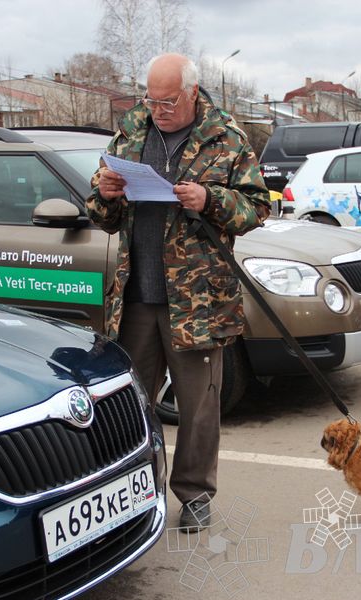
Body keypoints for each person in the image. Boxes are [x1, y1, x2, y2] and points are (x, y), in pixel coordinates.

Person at [86, 53, 270, 531]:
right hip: (136, 296)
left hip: (198, 301)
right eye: (152, 100)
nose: (158, 110)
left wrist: (210, 199)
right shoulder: (130, 133)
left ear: (191, 93)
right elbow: (101, 216)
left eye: (167, 102)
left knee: (199, 407)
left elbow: (256, 208)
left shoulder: (226, 137)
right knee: (131, 405)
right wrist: (105, 195)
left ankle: (194, 495)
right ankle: (136, 493)